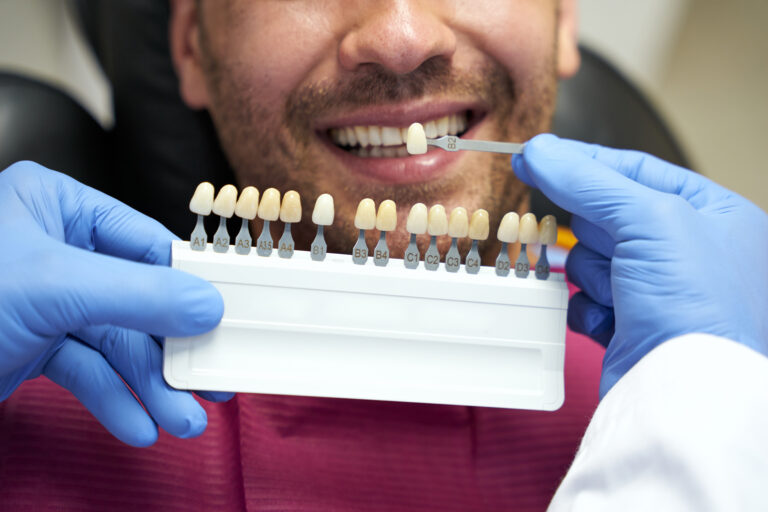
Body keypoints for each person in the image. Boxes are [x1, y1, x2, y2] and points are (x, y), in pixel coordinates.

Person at [1, 0, 767, 510]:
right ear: (192, 47)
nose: (402, 37)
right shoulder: (31, 401)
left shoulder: (693, 387)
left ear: (563, 17)